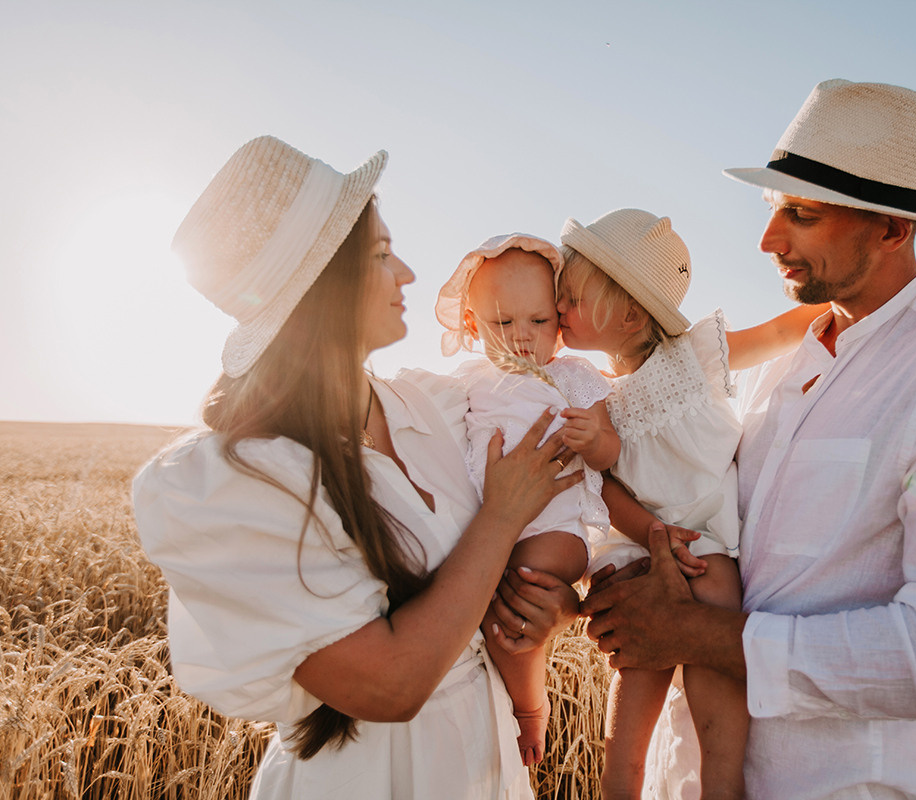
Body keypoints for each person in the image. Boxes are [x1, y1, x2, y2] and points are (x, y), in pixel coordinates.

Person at [582, 79, 916, 799]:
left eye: (802, 215)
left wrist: (692, 635)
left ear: (894, 228)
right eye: (774, 210)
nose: (767, 240)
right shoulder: (771, 369)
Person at [132, 136, 581, 799]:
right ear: (320, 284)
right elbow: (390, 685)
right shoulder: (230, 479)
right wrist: (502, 514)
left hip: (486, 765)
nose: (407, 273)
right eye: (379, 254)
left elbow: (526, 549)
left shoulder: (437, 404)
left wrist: (550, 607)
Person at [556, 208, 824, 799]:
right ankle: (618, 785)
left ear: (629, 314)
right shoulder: (590, 393)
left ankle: (720, 784)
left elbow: (779, 334)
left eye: (570, 297)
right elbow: (607, 488)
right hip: (640, 550)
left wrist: (836, 310)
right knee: (632, 701)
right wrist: (655, 534)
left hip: (706, 540)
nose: (557, 310)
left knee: (716, 645)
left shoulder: (695, 355)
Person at [433, 232, 621, 766]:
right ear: (472, 325)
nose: (521, 338)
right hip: (492, 523)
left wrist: (596, 440)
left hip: (558, 528)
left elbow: (610, 454)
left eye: (538, 322)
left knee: (522, 588)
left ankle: (530, 707)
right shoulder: (470, 381)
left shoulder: (574, 377)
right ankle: (510, 696)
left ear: (559, 319)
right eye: (502, 323)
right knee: (484, 595)